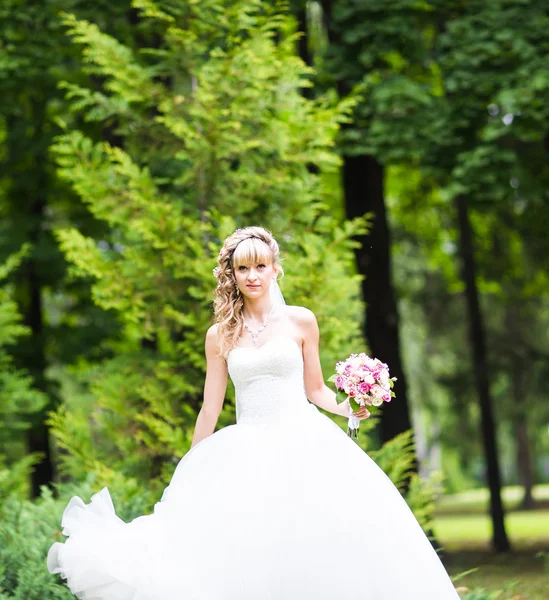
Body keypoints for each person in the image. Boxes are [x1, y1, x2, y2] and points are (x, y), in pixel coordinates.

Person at [48, 226, 460, 599]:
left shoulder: (302, 322)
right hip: (246, 449)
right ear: (232, 274)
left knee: (322, 538)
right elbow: (211, 407)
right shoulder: (220, 334)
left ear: (275, 269)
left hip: (306, 443)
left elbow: (316, 390)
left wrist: (351, 407)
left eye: (261, 266)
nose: (253, 275)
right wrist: (189, 470)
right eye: (243, 268)